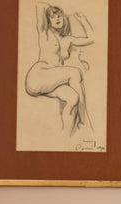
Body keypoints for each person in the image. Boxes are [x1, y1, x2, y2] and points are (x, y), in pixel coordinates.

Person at [25, 3, 95, 135]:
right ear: (48, 20)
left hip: (49, 83)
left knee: (73, 98)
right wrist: (56, 8)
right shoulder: (45, 34)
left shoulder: (67, 40)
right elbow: (39, 5)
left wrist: (82, 19)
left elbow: (92, 38)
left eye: (60, 16)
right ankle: (85, 123)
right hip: (37, 76)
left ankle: (66, 136)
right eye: (53, 17)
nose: (58, 18)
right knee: (75, 73)